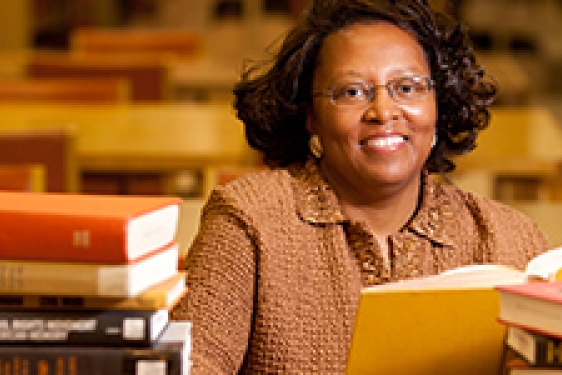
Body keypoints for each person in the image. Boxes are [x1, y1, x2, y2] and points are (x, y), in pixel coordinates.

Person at [171, 0, 551, 373]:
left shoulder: (512, 241)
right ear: (311, 118)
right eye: (352, 92)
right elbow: (193, 364)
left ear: (440, 103)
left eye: (407, 88)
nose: (383, 112)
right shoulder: (249, 222)